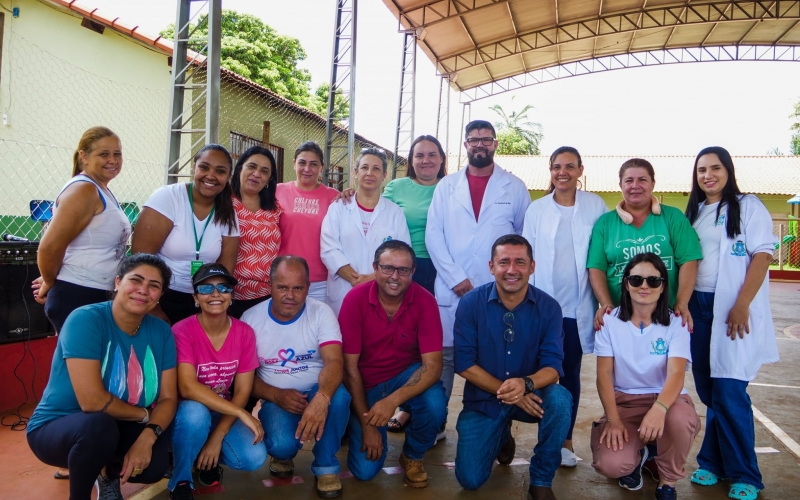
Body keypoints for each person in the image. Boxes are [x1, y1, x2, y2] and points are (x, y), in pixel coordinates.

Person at [27, 254, 177, 500]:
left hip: (116, 425)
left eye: (154, 286)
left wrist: (148, 436)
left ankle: (107, 470)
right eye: (135, 280)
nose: (143, 290)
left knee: (155, 464)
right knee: (98, 428)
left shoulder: (161, 331)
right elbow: (93, 402)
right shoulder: (86, 319)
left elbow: (169, 397)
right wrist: (144, 415)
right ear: (117, 282)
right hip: (59, 427)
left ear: (160, 296)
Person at [32, 126, 133, 481]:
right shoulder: (83, 190)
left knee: (89, 377)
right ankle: (75, 455)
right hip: (78, 296)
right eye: (104, 153)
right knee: (81, 382)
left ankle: (78, 454)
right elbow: (48, 247)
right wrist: (49, 281)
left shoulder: (104, 191)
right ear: (84, 156)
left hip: (94, 294)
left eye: (117, 153)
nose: (112, 160)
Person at [426, 119, 530, 441]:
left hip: (497, 290)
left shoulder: (514, 187)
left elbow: (523, 238)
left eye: (486, 139)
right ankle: (436, 422)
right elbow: (434, 235)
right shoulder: (447, 187)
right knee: (443, 359)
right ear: (466, 145)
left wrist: (504, 278)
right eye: (473, 140)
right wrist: (455, 277)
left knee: (494, 359)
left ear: (495, 144)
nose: (480, 145)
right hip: (450, 288)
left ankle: (500, 430)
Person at [684, 147, 778, 500]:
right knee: (710, 391)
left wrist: (741, 304)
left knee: (729, 391)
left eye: (715, 168)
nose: (708, 175)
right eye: (702, 170)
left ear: (728, 170)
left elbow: (762, 255)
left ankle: (746, 474)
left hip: (731, 310)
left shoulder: (748, 205)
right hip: (698, 307)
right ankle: (712, 462)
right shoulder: (695, 212)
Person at [453, 234, 572, 500]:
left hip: (531, 394)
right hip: (484, 399)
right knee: (470, 480)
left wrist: (525, 384)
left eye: (520, 262)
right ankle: (501, 435)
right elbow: (464, 364)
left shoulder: (549, 308)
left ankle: (541, 479)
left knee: (561, 400)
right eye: (504, 262)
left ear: (532, 266)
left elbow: (553, 367)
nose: (511, 270)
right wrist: (513, 395)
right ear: (491, 266)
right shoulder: (471, 304)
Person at [522, 146, 608, 467]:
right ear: (551, 170)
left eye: (569, 166)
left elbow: (603, 255)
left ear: (580, 170)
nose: (563, 172)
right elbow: (525, 260)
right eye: (557, 167)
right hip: (540, 309)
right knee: (529, 371)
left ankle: (564, 441)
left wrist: (604, 301)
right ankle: (504, 431)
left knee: (569, 374)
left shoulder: (595, 206)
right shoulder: (537, 210)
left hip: (578, 309)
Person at [591, 252, 700, 500]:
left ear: (663, 287)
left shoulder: (676, 323)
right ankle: (642, 455)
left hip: (667, 400)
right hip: (625, 400)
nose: (644, 286)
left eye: (653, 281)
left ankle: (667, 482)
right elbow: (604, 375)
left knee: (679, 419)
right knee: (611, 465)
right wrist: (614, 419)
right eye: (636, 279)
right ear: (626, 284)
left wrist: (659, 408)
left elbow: (675, 374)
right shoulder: (608, 321)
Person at [339, 240, 446, 488]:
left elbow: (433, 366)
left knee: (434, 405)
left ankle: (413, 455)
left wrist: (391, 402)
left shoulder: (425, 301)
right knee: (365, 472)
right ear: (375, 268)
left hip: (403, 377)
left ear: (413, 272)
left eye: (403, 270)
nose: (395, 277)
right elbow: (349, 368)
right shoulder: (354, 300)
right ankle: (357, 426)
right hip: (364, 384)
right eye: (388, 268)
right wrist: (369, 425)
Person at [242, 256, 350, 499]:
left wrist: (322, 398)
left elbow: (334, 361)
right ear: (270, 286)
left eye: (298, 288)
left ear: (308, 288)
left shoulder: (321, 312)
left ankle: (326, 466)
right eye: (282, 287)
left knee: (339, 397)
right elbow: (244, 378)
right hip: (276, 397)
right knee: (281, 447)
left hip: (316, 388)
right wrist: (275, 395)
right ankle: (283, 455)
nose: (290, 295)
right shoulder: (250, 319)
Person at [168, 263, 266, 500]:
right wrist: (242, 414)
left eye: (223, 288)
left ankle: (205, 457)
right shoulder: (182, 330)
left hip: (221, 411)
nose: (215, 294)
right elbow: (187, 388)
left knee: (253, 458)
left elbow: (242, 391)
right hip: (186, 413)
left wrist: (217, 437)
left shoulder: (244, 332)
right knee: (195, 413)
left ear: (231, 296)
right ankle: (180, 479)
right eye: (206, 288)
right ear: (195, 297)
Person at [587, 158, 702, 331]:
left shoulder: (673, 218)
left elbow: (689, 261)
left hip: (667, 317)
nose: (635, 185)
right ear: (620, 185)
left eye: (642, 179)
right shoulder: (605, 224)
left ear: (653, 183)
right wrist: (606, 304)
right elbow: (596, 268)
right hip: (621, 318)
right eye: (629, 180)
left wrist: (682, 303)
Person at [132, 144, 240, 325]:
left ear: (228, 177)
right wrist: (153, 305)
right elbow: (141, 259)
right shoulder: (168, 197)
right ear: (194, 168)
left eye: (220, 171)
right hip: (162, 294)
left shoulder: (227, 211)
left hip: (202, 298)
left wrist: (213, 305)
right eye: (204, 167)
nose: (211, 176)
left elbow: (225, 268)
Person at [382, 135, 446, 432]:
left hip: (441, 268)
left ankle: (425, 411)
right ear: (411, 161)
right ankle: (406, 404)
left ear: (442, 159)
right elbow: (376, 212)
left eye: (432, 155)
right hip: (403, 268)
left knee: (433, 342)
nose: (426, 161)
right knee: (403, 338)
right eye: (419, 155)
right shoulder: (397, 187)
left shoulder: (450, 188)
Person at [321, 147, 410, 315]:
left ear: (384, 175)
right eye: (364, 167)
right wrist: (356, 279)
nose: (369, 173)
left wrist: (372, 279)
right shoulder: (338, 208)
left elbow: (402, 253)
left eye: (376, 169)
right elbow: (329, 249)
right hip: (343, 289)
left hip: (380, 289)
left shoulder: (395, 213)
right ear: (355, 172)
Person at [276, 141, 339, 302]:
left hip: (320, 281)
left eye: (313, 164)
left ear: (322, 167)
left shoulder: (334, 197)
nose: (307, 169)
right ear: (294, 164)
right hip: (284, 278)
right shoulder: (277, 191)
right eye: (302, 163)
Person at [229, 145, 282, 318]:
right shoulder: (224, 204)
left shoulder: (275, 210)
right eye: (252, 166)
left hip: (266, 296)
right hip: (230, 295)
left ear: (269, 179)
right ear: (239, 169)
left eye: (264, 171)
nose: (257, 174)